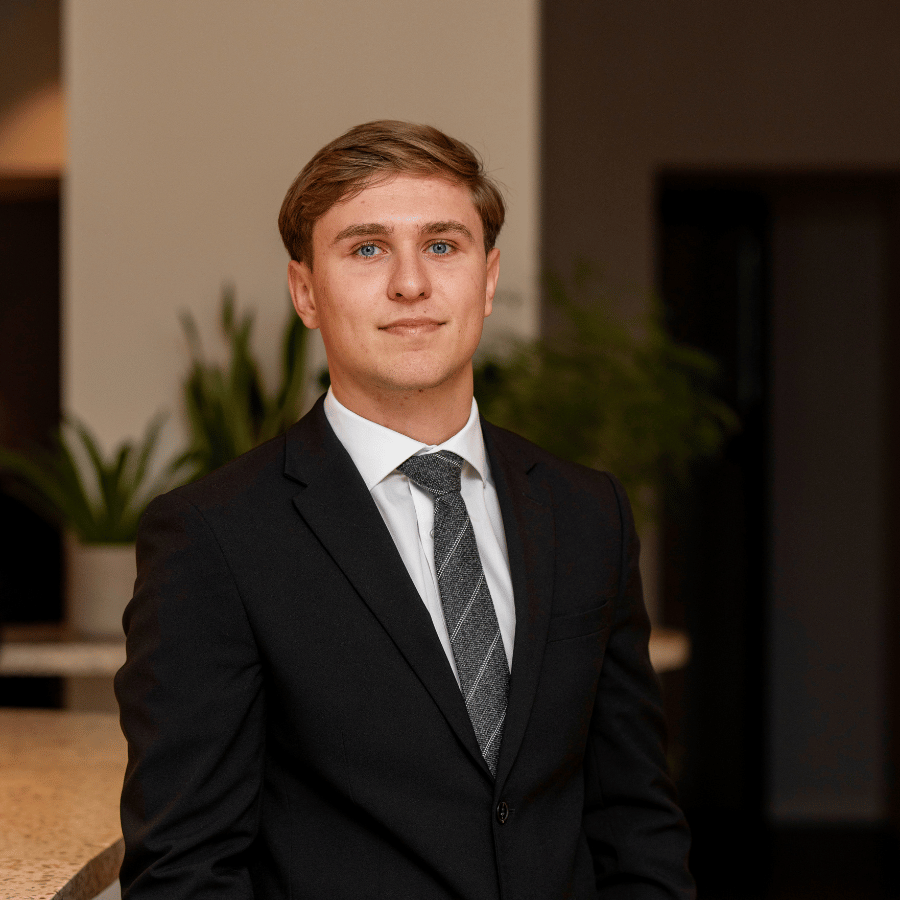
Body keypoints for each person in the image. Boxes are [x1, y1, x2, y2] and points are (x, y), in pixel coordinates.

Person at [115, 120, 695, 900]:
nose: (411, 284)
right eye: (366, 248)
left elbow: (636, 819)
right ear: (305, 292)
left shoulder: (588, 511)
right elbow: (186, 867)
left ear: (487, 280)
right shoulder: (214, 537)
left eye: (443, 246)